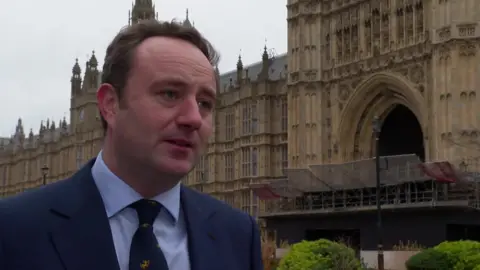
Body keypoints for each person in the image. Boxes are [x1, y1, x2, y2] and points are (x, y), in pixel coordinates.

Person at [0, 20, 263, 270]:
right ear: (109, 105)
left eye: (205, 103)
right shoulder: (13, 229)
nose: (193, 118)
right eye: (169, 94)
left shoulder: (239, 236)